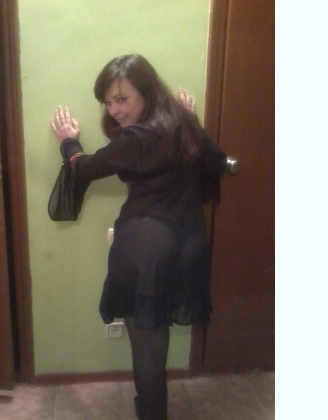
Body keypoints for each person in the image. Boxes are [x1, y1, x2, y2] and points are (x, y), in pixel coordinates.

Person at [50, 54, 227, 420]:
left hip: (145, 249)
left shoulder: (137, 137)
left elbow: (86, 167)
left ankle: (150, 413)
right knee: (157, 332)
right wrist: (192, 118)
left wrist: (68, 142)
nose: (115, 109)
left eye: (122, 98)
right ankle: (150, 408)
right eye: (108, 102)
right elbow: (216, 163)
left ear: (146, 91)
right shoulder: (182, 122)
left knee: (147, 346)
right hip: (190, 244)